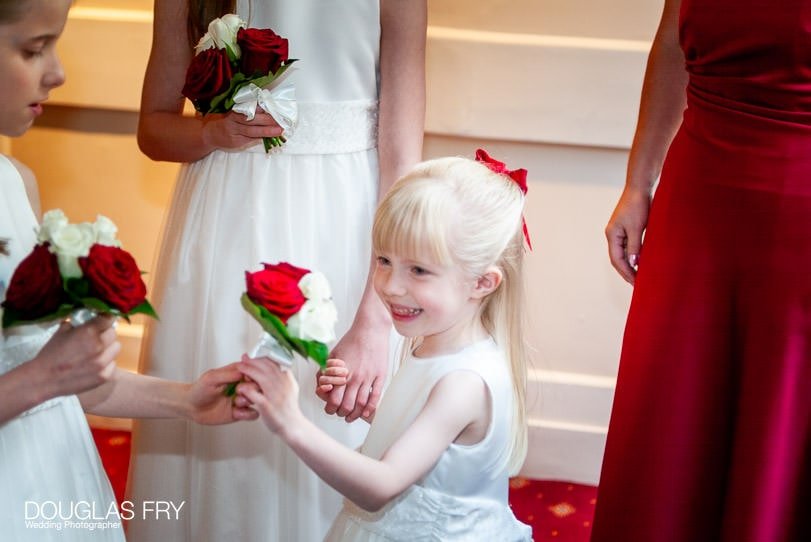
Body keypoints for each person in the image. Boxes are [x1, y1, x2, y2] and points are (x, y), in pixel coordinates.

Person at [127, 0, 425, 540]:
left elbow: (402, 156)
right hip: (227, 219)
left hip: (345, 220)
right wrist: (214, 133)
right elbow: (154, 128)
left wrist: (375, 319)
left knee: (329, 424)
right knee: (227, 400)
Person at [0, 1, 259, 541]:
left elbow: (68, 381)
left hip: (57, 477)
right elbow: (39, 376)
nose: (58, 72)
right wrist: (41, 379)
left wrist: (185, 399)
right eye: (32, 49)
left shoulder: (16, 184)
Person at [593, 0, 811, 540]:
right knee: (674, 405)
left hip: (802, 208)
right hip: (699, 190)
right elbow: (672, 37)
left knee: (781, 412)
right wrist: (638, 185)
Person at [236, 154, 533, 541]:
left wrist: (290, 421)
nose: (391, 286)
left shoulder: (464, 382)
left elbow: (382, 486)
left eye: (419, 270)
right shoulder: (437, 345)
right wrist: (375, 413)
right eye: (384, 260)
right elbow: (432, 443)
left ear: (482, 283)